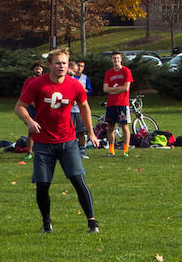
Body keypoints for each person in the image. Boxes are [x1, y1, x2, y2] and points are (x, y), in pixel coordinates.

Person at [16, 49, 101, 234]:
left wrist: (91, 133)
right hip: (44, 143)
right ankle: (47, 223)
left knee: (78, 180)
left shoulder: (75, 85)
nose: (61, 66)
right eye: (57, 63)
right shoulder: (38, 84)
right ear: (49, 65)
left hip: (68, 142)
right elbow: (19, 107)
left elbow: (85, 108)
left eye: (64, 63)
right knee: (42, 185)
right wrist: (30, 121)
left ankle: (92, 222)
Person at [102, 52, 134, 155]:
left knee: (124, 126)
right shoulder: (108, 73)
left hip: (122, 103)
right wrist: (115, 90)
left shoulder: (126, 71)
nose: (116, 60)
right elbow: (105, 89)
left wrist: (113, 90)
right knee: (110, 127)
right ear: (111, 60)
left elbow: (126, 88)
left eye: (118, 58)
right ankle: (111, 150)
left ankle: (125, 150)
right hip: (111, 104)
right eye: (114, 58)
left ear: (121, 59)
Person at [70, 60, 93, 157]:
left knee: (81, 131)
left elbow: (90, 91)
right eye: (78, 66)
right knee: (68, 130)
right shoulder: (69, 77)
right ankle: (70, 150)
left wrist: (83, 91)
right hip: (70, 108)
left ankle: (82, 150)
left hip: (80, 109)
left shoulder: (85, 78)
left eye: (82, 66)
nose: (80, 68)